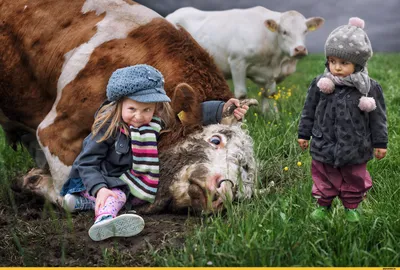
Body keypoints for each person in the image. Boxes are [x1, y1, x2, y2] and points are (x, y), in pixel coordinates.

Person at [60, 64, 249, 241]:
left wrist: (221, 109)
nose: (139, 116)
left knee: (124, 193)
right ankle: (104, 221)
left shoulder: (153, 123)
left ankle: (80, 203)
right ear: (119, 104)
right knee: (118, 196)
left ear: (156, 108)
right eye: (132, 109)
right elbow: (87, 163)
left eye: (146, 109)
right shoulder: (107, 128)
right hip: (98, 179)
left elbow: (188, 114)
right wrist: (100, 189)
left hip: (121, 178)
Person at [297, 17, 388, 222]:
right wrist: (304, 133)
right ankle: (323, 204)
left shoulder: (369, 89)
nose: (336, 67)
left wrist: (380, 143)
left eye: (344, 63)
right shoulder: (321, 84)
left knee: (354, 175)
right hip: (323, 142)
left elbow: (378, 117)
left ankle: (352, 206)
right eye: (332, 61)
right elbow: (308, 110)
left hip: (355, 145)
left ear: (358, 64)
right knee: (322, 173)